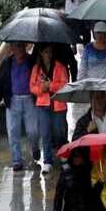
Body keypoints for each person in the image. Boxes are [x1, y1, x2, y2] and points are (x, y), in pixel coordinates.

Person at [0, 42, 39, 171]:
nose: (20, 49)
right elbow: (1, 82)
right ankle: (17, 160)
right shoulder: (6, 63)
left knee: (33, 131)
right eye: (17, 46)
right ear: (12, 48)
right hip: (13, 100)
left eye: (22, 46)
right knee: (13, 132)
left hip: (29, 100)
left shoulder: (31, 60)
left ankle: (35, 148)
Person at [29, 44, 69, 174]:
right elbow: (32, 87)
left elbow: (65, 85)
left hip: (58, 105)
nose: (49, 55)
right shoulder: (36, 69)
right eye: (46, 52)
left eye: (50, 52)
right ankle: (47, 161)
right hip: (43, 105)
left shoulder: (60, 67)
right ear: (41, 53)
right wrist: (42, 88)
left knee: (59, 133)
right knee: (45, 133)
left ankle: (63, 157)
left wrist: (50, 86)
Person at [52, 147, 104, 211]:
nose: (75, 158)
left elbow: (96, 196)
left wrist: (100, 184)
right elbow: (58, 196)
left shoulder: (92, 173)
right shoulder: (66, 174)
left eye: (78, 156)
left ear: (84, 157)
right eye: (74, 156)